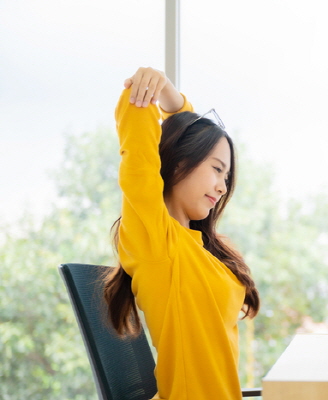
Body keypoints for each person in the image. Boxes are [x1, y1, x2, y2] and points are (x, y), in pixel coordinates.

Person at [102, 67, 260, 400]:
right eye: (217, 169)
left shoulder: (199, 250)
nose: (222, 186)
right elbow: (139, 133)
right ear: (177, 162)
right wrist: (166, 94)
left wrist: (181, 110)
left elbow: (187, 137)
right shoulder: (156, 240)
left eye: (227, 177)